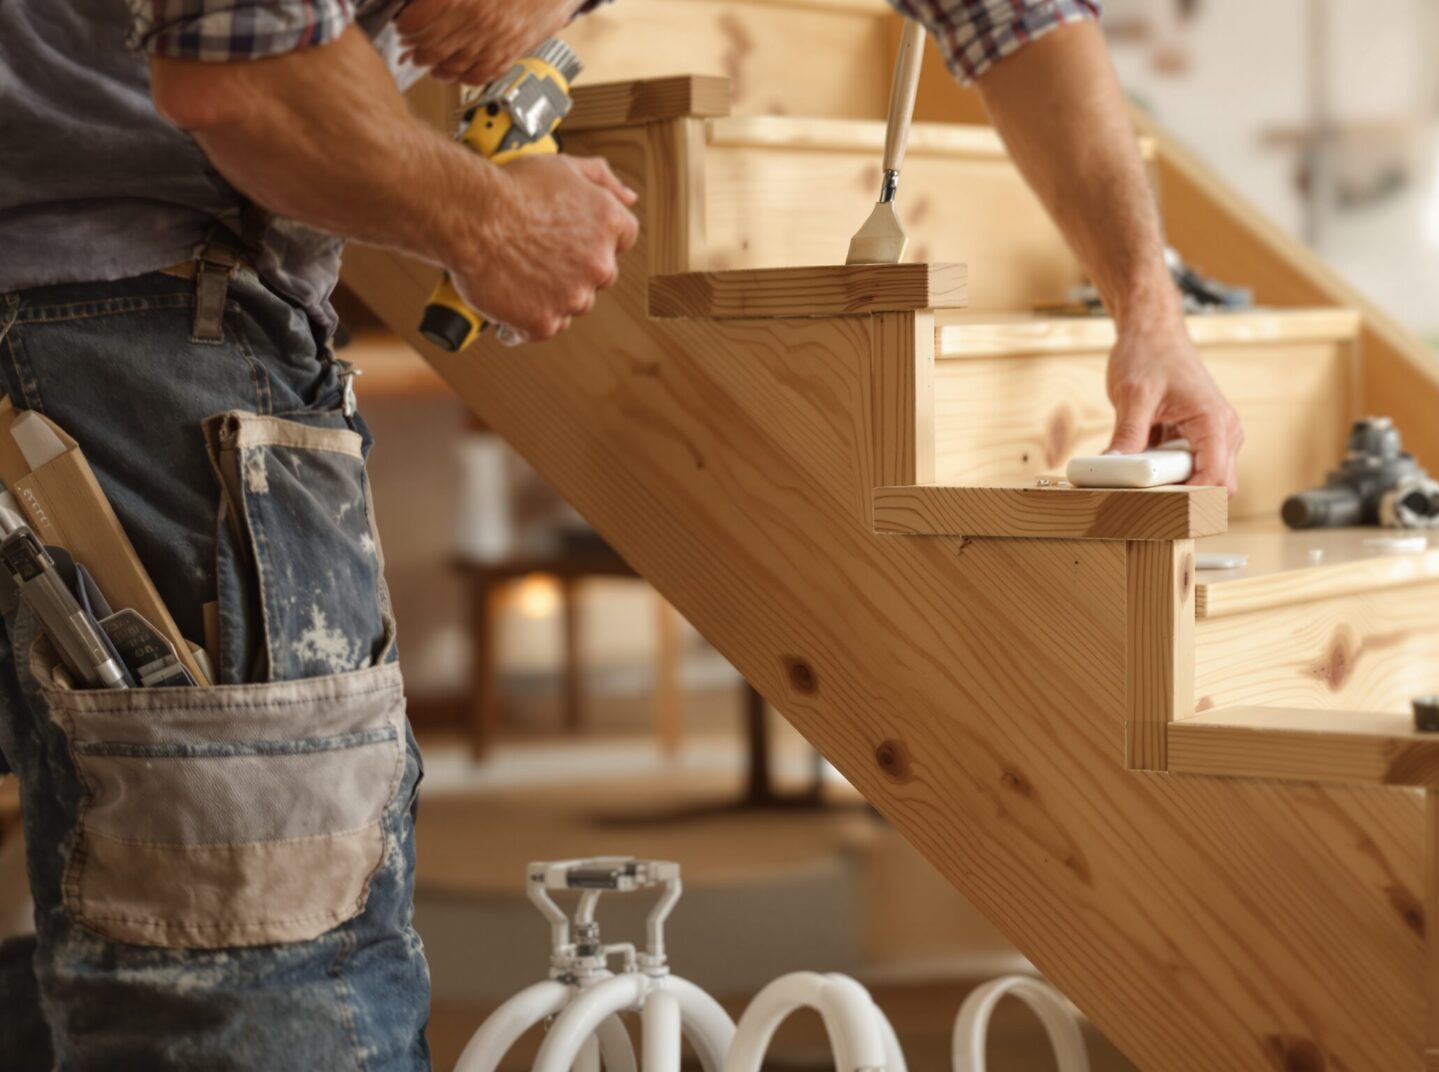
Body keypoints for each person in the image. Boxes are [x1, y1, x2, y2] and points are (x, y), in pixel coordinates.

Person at [0, 0, 1243, 1067]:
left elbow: (1015, 18)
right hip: (118, 343)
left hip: (125, 318)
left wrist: (1152, 307)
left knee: (60, 932)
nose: (558, 34)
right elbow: (241, 74)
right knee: (261, 991)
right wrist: (485, 216)